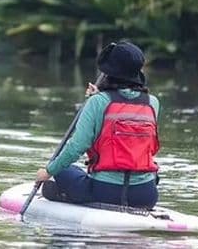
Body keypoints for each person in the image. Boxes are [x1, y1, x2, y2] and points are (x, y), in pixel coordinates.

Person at [35, 41, 160, 209]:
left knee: (62, 170)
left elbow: (77, 146)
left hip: (104, 192)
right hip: (145, 195)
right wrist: (99, 97)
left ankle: (65, 195)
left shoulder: (97, 102)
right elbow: (126, 109)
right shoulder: (152, 103)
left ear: (109, 72)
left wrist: (48, 171)